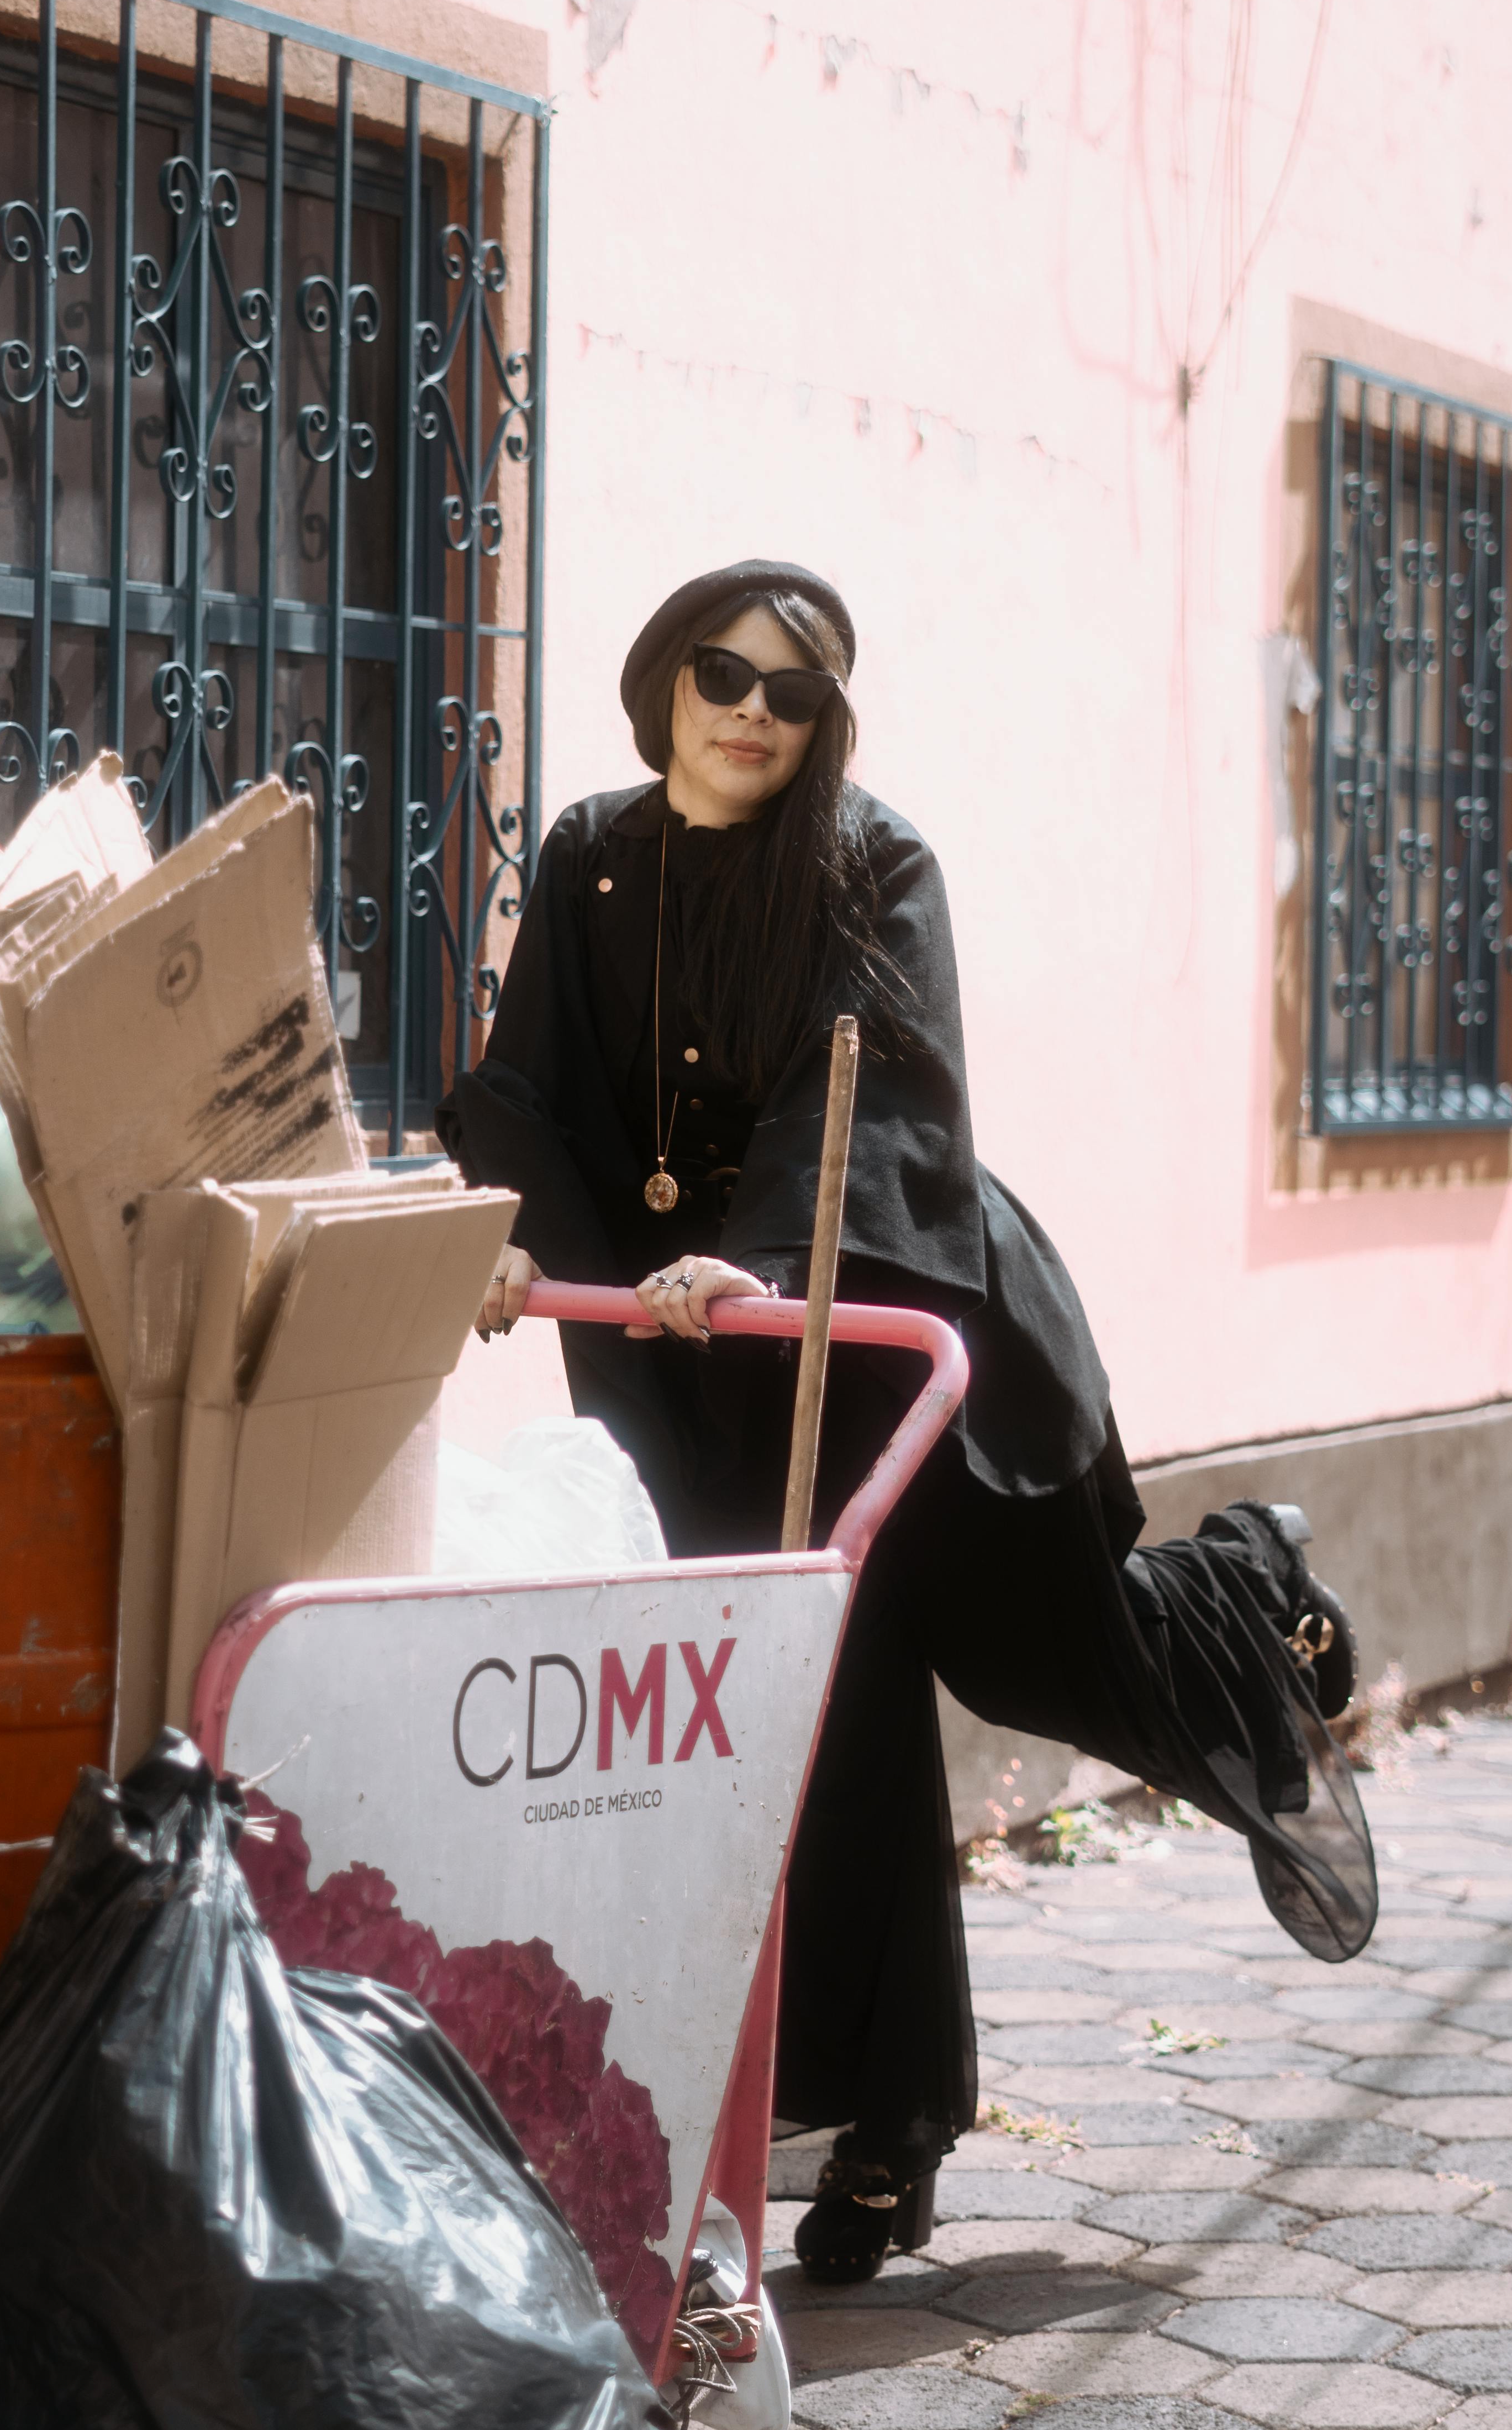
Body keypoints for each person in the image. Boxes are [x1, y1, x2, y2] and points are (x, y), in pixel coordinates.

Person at [439, 559, 1375, 2284]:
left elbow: (882, 1094)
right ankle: (887, 2130)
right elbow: (529, 1085)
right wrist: (518, 1240)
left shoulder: (875, 861)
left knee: (1053, 1659)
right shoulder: (585, 855)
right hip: (692, 1356)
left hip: (893, 1316)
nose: (748, 714)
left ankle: (1252, 1589)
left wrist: (771, 1249)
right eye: (721, 674)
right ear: (664, 681)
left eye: (791, 695)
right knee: (828, 1714)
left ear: (827, 723)